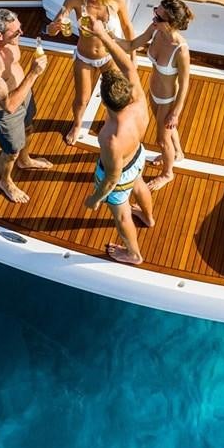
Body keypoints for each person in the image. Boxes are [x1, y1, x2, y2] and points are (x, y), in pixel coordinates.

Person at [83, 16, 154, 266]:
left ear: (103, 101)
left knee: (122, 214)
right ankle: (148, 218)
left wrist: (95, 199)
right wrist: (103, 36)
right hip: (138, 156)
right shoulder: (137, 100)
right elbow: (129, 67)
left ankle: (133, 253)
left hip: (120, 173)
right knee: (140, 184)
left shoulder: (110, 137)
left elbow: (112, 178)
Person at [45, 0, 135, 146]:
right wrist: (54, 27)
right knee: (81, 99)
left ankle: (114, 122)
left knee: (114, 97)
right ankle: (77, 125)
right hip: (85, 57)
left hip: (109, 56)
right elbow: (52, 30)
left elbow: (127, 27)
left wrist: (132, 57)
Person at [0, 8, 52, 203]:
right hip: (4, 112)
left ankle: (25, 161)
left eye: (20, 28)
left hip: (24, 93)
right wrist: (33, 73)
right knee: (11, 151)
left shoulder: (5, 36)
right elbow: (8, 105)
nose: (21, 34)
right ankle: (5, 182)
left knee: (29, 128)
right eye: (15, 32)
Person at [121, 0, 194, 192]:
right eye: (155, 11)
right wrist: (105, 36)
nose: (154, 17)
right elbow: (131, 45)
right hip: (153, 92)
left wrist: (175, 113)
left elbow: (185, 84)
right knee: (167, 132)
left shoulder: (181, 50)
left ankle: (168, 173)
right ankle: (177, 152)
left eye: (159, 17)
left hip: (168, 100)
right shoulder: (155, 30)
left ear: (170, 23)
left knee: (162, 139)